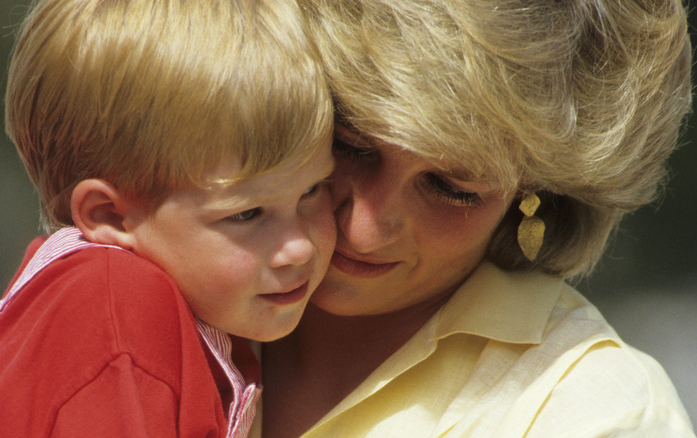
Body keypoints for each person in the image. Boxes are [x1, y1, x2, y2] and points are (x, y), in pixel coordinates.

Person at [257, 0, 695, 436]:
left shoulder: (599, 412)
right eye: (348, 143)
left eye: (451, 189)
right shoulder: (190, 262)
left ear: (534, 193)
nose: (364, 231)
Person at [0, 0, 335, 436]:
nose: (299, 246)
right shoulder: (117, 316)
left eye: (313, 189)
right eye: (248, 213)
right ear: (110, 216)